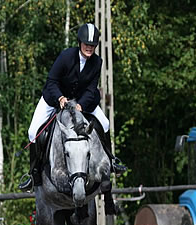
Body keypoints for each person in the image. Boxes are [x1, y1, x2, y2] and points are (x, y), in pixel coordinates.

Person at [19, 23, 126, 192]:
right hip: (54, 98)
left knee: (105, 123)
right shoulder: (66, 56)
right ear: (79, 43)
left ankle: (111, 161)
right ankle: (34, 174)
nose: (89, 48)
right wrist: (60, 98)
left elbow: (92, 88)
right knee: (33, 132)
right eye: (86, 44)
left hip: (81, 101)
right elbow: (52, 81)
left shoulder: (97, 62)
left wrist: (80, 105)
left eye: (92, 45)